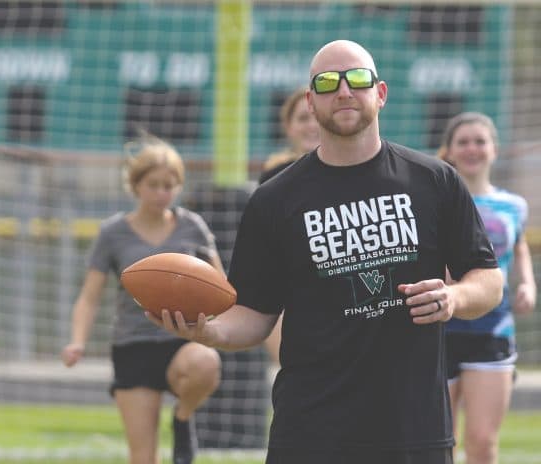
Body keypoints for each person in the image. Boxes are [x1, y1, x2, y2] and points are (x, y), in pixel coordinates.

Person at [147, 39, 504, 464]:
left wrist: (454, 297)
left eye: (357, 79)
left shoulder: (434, 181)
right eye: (327, 82)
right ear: (311, 102)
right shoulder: (275, 200)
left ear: (381, 93)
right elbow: (253, 314)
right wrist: (208, 332)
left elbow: (488, 279)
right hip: (310, 431)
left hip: (415, 429)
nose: (344, 91)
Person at [61, 136, 222, 464]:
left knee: (206, 363)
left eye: (170, 185)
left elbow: (221, 285)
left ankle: (183, 417)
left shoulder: (192, 226)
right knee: (143, 457)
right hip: (133, 346)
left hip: (182, 339)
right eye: (154, 185)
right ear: (135, 186)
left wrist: (217, 320)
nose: (162, 193)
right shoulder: (113, 232)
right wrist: (77, 341)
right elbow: (90, 297)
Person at [437, 112, 536, 464]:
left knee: (481, 442)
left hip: (492, 330)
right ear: (449, 150)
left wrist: (527, 282)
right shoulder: (435, 199)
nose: (472, 149)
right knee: (439, 442)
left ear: (494, 149)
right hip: (439, 331)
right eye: (463, 141)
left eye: (480, 141)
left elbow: (519, 246)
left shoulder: (513, 205)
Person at [259, 87, 321, 364]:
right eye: (302, 118)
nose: (311, 125)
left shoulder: (356, 172)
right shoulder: (273, 179)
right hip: (287, 293)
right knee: (297, 371)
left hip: (335, 290)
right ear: (288, 127)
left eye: (315, 117)